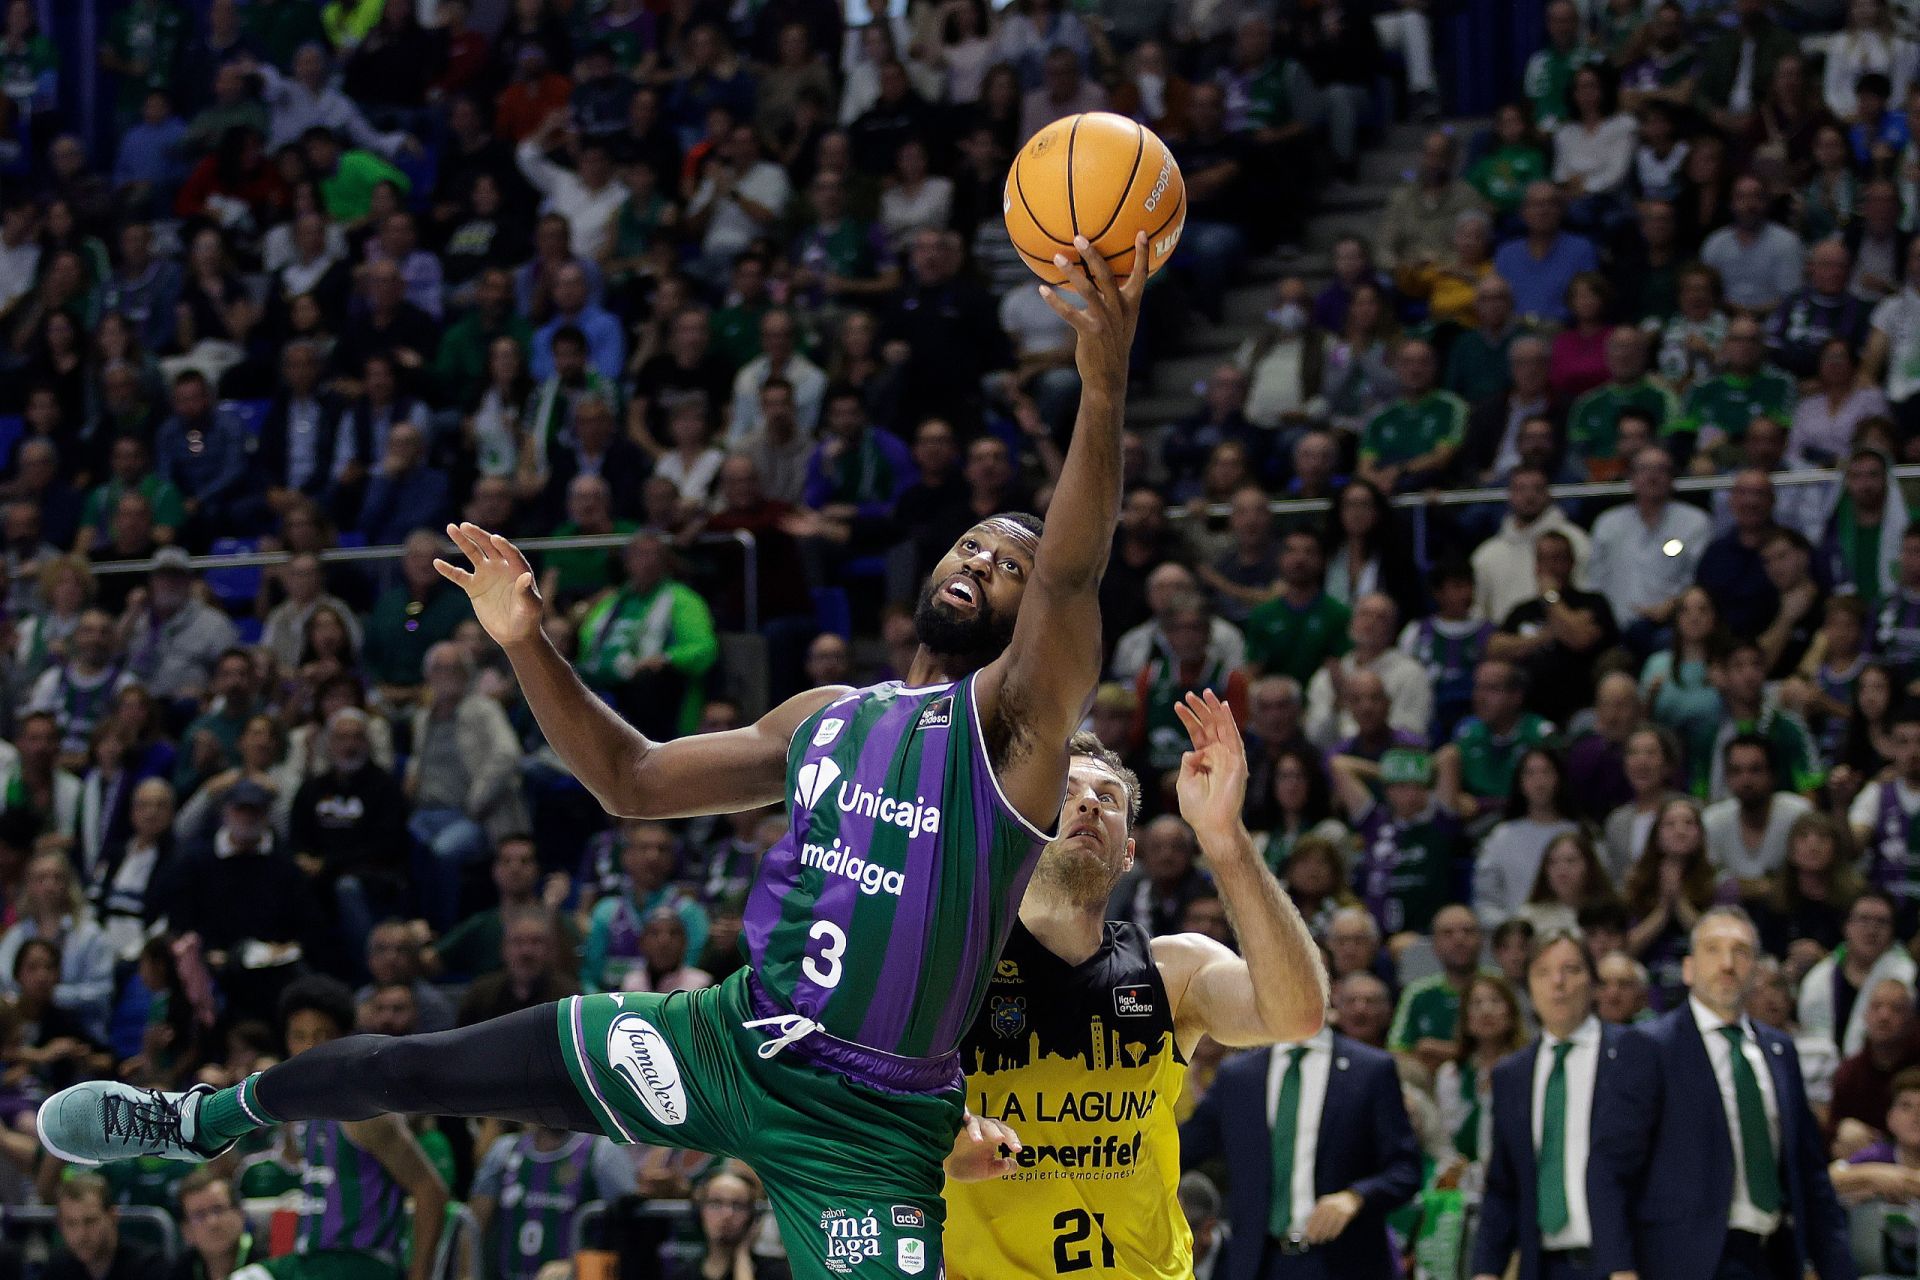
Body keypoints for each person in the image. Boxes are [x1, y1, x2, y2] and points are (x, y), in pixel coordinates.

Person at [42, 235, 1155, 1280]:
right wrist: (528, 642)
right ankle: (195, 1120)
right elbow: (628, 779)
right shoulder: (826, 714)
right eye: (971, 543)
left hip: (866, 1126)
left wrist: (1100, 388)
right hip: (726, 1042)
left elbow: (1069, 576)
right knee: (415, 1064)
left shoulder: (1013, 731)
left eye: (1005, 564)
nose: (983, 562)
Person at [943, 698, 1325, 1277]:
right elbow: (854, 1107)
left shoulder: (1175, 971)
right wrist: (939, 1147)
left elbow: (1296, 1014)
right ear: (1019, 826)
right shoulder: (949, 966)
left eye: (1108, 799)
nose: (1089, 802)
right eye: (1067, 792)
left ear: (1127, 855)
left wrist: (1223, 836)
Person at [1589, 906, 1855, 1280]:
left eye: (1741, 951)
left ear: (1757, 972)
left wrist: (1838, 1269)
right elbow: (1610, 1167)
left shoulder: (1780, 1051)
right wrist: (1618, 1267)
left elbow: (1811, 1177)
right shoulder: (1651, 1046)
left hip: (1771, 1258)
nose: (1727, 963)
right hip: (1680, 1263)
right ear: (1688, 968)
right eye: (1713, 950)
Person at [1179, 961, 1421, 1278]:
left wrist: (1356, 1196)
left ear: (1330, 988)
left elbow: (1405, 1169)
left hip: (1344, 1262)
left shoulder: (1371, 1071)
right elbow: (1179, 1150)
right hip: (1259, 1265)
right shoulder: (1237, 1077)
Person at [1470, 930, 1622, 1280]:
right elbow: (1503, 1184)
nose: (1558, 983)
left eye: (1571, 969)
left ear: (1594, 982)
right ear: (1528, 986)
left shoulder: (1632, 1055)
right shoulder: (1512, 1074)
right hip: (1544, 1266)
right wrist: (1486, 1270)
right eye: (1543, 972)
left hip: (1622, 1264)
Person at [469, 1123, 637, 1280]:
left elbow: (631, 1227)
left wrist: (575, 1264)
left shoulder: (602, 1151)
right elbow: (474, 1226)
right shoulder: (504, 1150)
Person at [1797, 889, 1914, 1060]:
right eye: (1864, 920)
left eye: (1881, 922)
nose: (1872, 930)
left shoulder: (1907, 976)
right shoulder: (1819, 978)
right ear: (1846, 926)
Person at [44, 1174, 159, 1280]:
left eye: (90, 1221)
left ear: (112, 1217)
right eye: (71, 1223)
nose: (81, 1234)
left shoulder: (147, 1266)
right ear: (60, 1224)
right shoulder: (58, 1268)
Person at [169, 1168, 269, 1280]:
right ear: (186, 1230)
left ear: (240, 1213)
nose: (213, 1222)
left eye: (218, 1209)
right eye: (199, 1215)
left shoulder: (269, 1258)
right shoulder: (179, 1271)